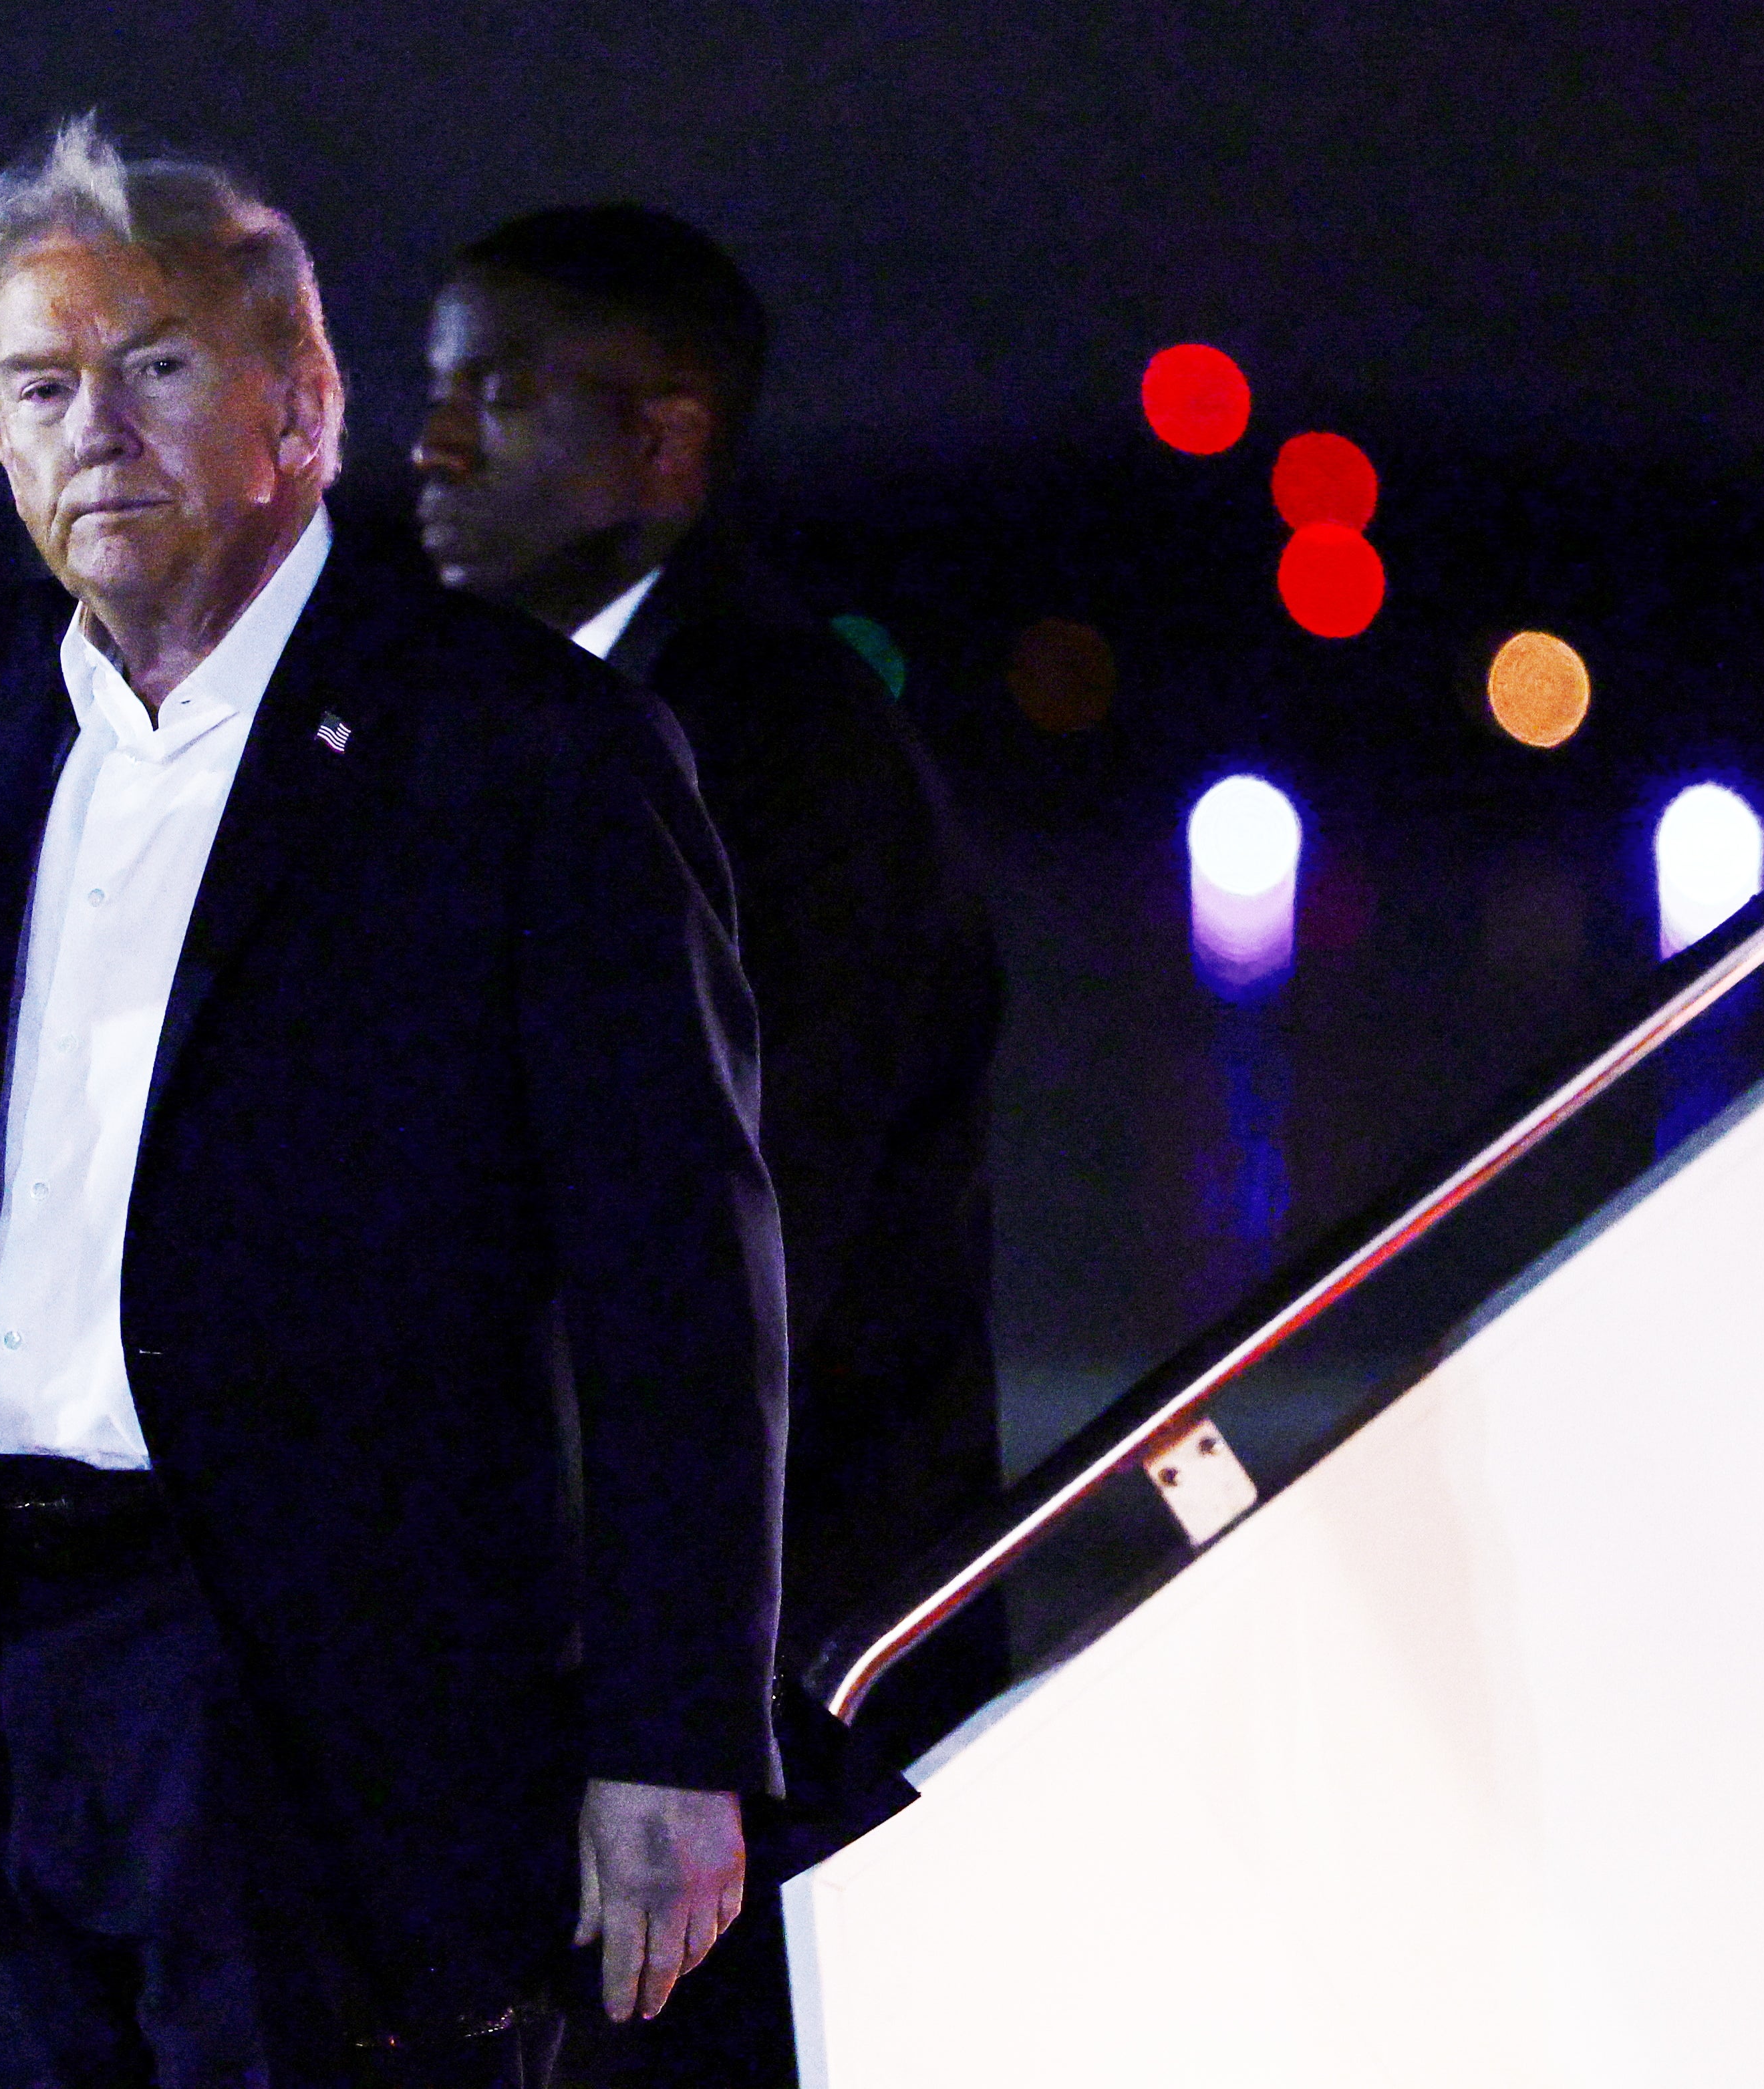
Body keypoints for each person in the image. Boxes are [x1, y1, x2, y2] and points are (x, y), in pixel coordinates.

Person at [0, 124, 806, 2088]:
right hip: (18, 1665)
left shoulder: (515, 743)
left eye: (158, 367)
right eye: (39, 389)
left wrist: (673, 1739)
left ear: (301, 408)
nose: (92, 428)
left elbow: (674, 1282)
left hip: (336, 1704)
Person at [413, 204, 1008, 2087]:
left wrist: (657, 1695)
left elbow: (739, 1243)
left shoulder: (754, 746)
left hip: (758, 1665)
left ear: (664, 446)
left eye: (495, 398)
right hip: (686, 1640)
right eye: (428, 392)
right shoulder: (599, 711)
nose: (427, 445)